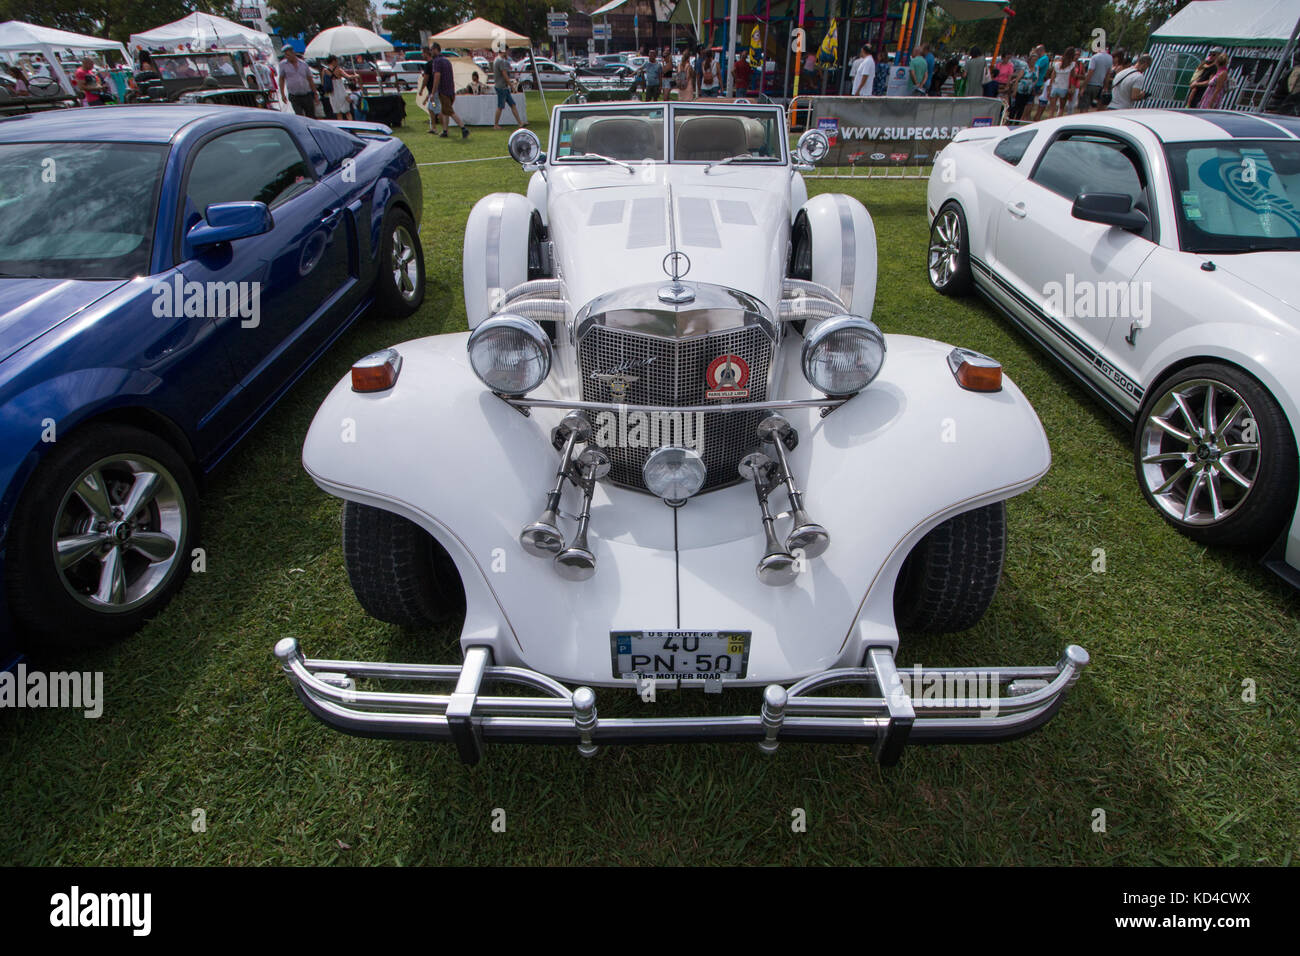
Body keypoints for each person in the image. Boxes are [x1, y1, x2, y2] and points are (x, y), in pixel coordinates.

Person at [429, 43, 468, 138]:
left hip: (443, 90)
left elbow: (437, 76)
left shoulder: (436, 61)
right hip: (451, 90)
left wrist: (433, 93)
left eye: (431, 50)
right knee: (445, 111)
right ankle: (445, 131)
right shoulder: (447, 61)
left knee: (449, 111)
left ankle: (463, 128)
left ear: (435, 49)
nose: (431, 52)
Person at [277, 45, 317, 116]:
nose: (286, 57)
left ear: (293, 53)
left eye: (288, 54)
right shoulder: (283, 65)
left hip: (306, 95)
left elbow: (310, 79)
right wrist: (282, 94)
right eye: (285, 55)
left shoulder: (303, 64)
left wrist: (315, 93)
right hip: (294, 96)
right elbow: (281, 79)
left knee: (311, 115)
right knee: (299, 116)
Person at [492, 48, 524, 128]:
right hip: (502, 87)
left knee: (512, 104)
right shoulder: (501, 61)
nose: (508, 52)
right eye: (507, 51)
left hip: (502, 86)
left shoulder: (497, 59)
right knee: (500, 106)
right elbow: (505, 75)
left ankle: (520, 123)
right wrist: (512, 86)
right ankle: (496, 125)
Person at [1079, 44, 1111, 111]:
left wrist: (1083, 86)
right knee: (1100, 107)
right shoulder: (1110, 58)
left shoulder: (1094, 57)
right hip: (1101, 85)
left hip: (1091, 84)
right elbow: (1108, 74)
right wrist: (1105, 87)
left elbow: (1090, 72)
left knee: (1084, 107)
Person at [323, 56, 356, 120]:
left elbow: (323, 82)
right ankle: (351, 126)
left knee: (338, 113)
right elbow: (348, 77)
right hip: (341, 91)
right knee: (347, 112)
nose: (337, 62)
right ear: (333, 61)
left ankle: (342, 126)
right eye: (336, 60)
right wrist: (356, 76)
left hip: (332, 93)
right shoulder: (339, 70)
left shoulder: (325, 71)